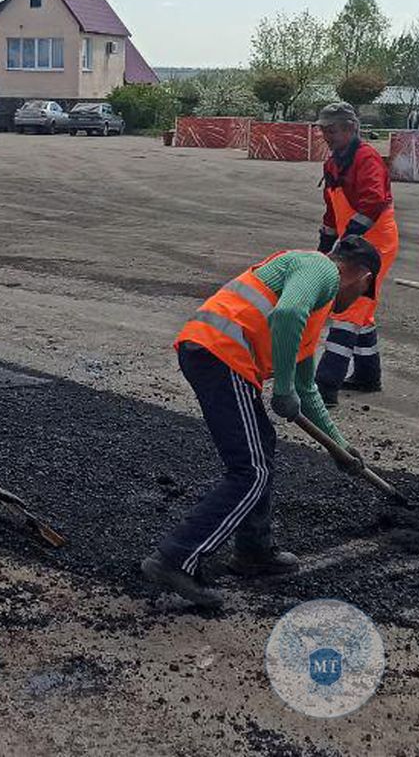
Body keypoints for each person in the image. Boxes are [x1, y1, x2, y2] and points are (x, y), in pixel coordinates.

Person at [141, 237, 382, 608]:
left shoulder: (314, 306)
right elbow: (286, 316)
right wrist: (282, 387)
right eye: (365, 292)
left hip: (222, 358)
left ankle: (253, 550)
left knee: (261, 449)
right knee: (250, 471)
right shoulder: (318, 268)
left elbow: (307, 389)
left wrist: (339, 447)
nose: (358, 301)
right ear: (363, 278)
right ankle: (176, 558)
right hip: (220, 354)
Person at [313, 102, 399, 406]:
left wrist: (348, 239)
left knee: (349, 309)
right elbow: (330, 211)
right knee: (362, 309)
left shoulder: (366, 158)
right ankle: (367, 375)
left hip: (376, 244)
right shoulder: (334, 162)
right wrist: (324, 249)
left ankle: (325, 385)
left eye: (331, 129)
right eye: (323, 129)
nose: (326, 134)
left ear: (350, 129)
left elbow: (373, 203)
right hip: (354, 243)